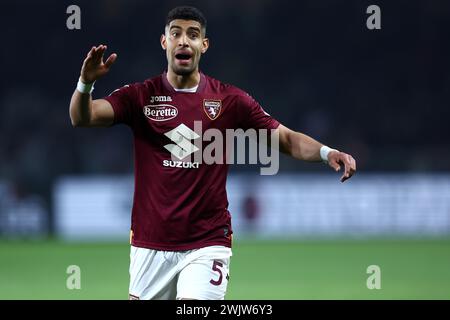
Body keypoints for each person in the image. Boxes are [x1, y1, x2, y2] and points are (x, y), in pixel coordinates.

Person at [69, 6, 356, 300]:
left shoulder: (228, 100)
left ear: (203, 45)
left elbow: (285, 138)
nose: (184, 41)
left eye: (193, 35)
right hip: (150, 243)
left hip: (207, 242)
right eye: (176, 33)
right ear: (164, 42)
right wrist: (86, 83)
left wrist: (326, 152)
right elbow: (82, 117)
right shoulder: (140, 96)